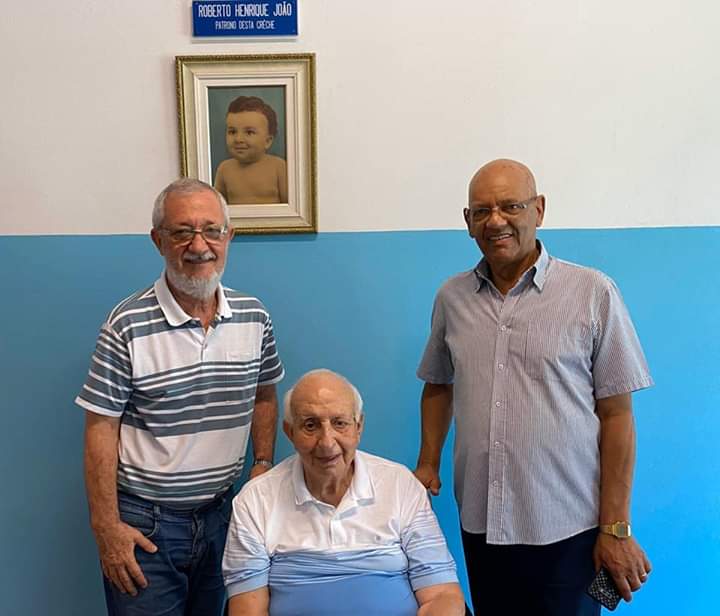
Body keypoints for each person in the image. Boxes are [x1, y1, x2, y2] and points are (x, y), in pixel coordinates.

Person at [415, 159, 654, 615]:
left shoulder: (593, 292)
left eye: (511, 206)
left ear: (539, 210)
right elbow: (438, 383)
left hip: (571, 530)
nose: (496, 221)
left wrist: (616, 527)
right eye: (481, 211)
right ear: (467, 222)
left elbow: (617, 415)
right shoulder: (452, 298)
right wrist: (428, 462)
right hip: (482, 525)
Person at [76, 178, 284, 616]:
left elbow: (264, 393)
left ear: (229, 237)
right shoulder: (126, 324)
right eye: (182, 232)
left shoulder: (254, 316)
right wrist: (106, 528)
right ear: (158, 241)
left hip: (223, 516)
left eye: (211, 230)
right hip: (146, 526)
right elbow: (100, 428)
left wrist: (263, 462)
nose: (199, 246)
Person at [222, 369, 465, 616]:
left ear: (359, 427)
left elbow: (442, 596)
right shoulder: (254, 500)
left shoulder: (401, 485)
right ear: (290, 432)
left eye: (340, 423)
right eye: (310, 425)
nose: (327, 442)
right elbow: (248, 610)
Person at [214, 95, 289, 205]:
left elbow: (292, 206)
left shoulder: (278, 167)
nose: (238, 139)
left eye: (249, 132)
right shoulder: (225, 169)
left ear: (268, 141)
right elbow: (217, 206)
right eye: (232, 132)